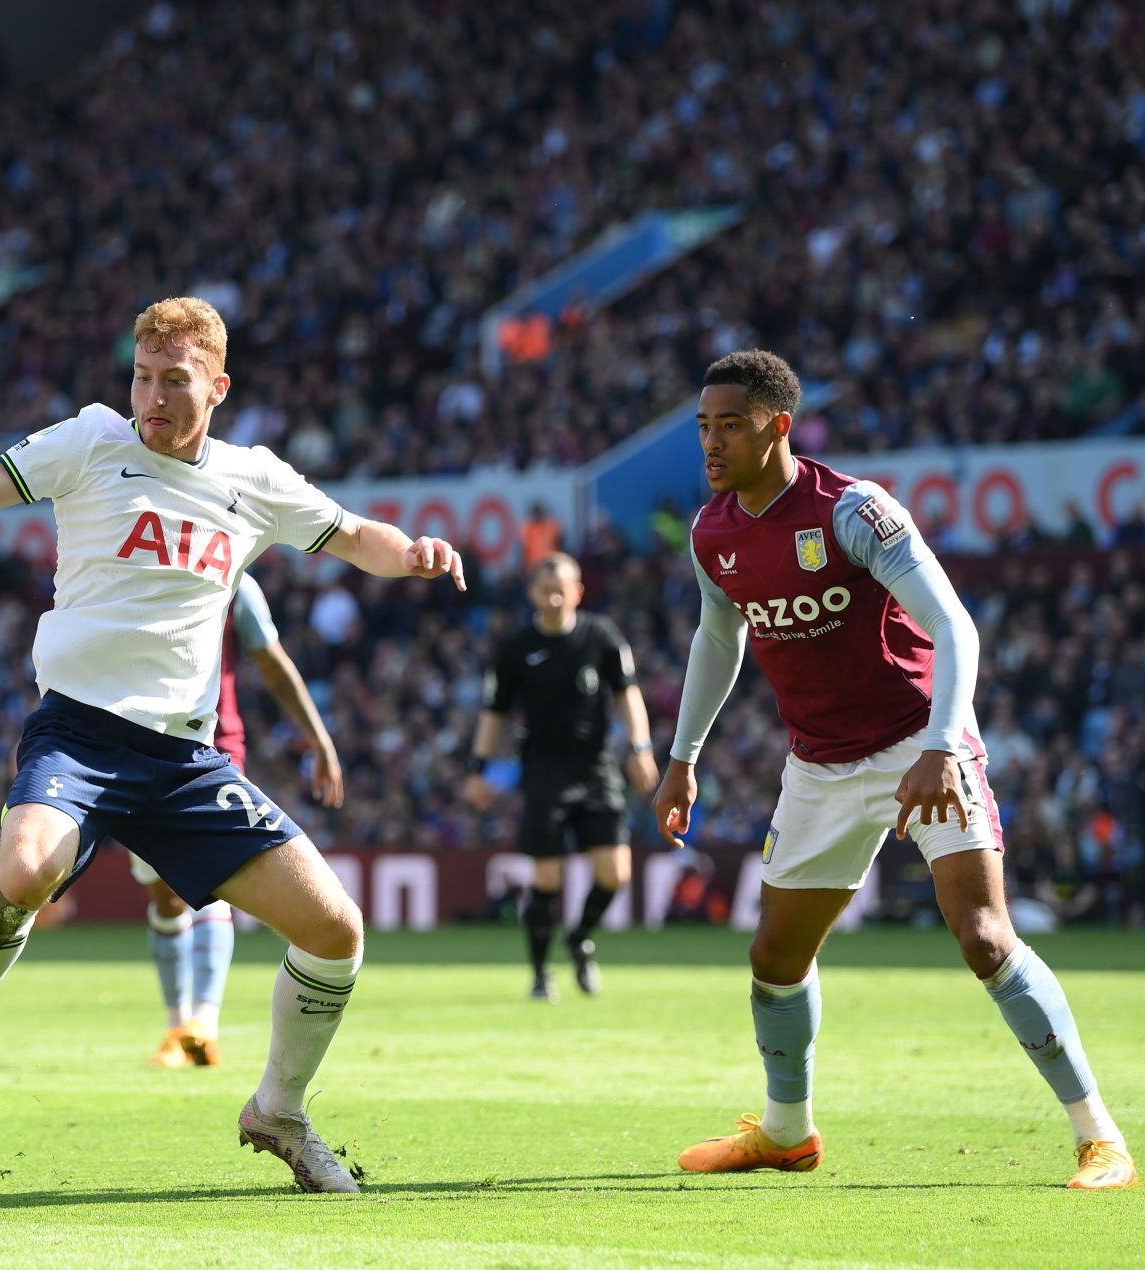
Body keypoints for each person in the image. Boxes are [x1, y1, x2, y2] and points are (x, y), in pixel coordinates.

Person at [0, 297, 464, 1194]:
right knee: (23, 875)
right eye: (142, 378)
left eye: (174, 381)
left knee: (336, 930)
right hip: (77, 733)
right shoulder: (87, 441)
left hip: (186, 761)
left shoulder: (252, 478)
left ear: (217, 388)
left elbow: (352, 536)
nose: (152, 397)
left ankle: (279, 1109)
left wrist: (413, 553)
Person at [653, 349, 1135, 1191]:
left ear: (779, 427)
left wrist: (943, 746)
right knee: (775, 956)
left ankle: (1100, 1137)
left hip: (922, 741)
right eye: (704, 426)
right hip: (819, 765)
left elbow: (955, 627)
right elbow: (717, 636)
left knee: (984, 937)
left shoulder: (852, 511)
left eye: (731, 424)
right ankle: (787, 1133)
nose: (712, 442)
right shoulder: (711, 533)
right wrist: (681, 757)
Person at [137, 570, 344, 1068]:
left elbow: (273, 665)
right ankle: (176, 1026)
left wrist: (318, 736)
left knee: (217, 880)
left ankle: (203, 1025)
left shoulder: (235, 584)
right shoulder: (134, 572)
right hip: (137, 747)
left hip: (213, 748)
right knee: (165, 895)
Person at [464, 553, 656, 1001]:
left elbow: (629, 695)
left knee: (616, 873)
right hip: (544, 773)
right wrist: (478, 769)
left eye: (562, 587)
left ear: (578, 592)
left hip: (596, 769)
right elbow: (493, 714)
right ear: (532, 593)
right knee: (547, 880)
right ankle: (539, 973)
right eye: (545, 587)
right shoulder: (514, 649)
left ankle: (579, 936)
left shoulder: (601, 637)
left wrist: (641, 747)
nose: (554, 595)